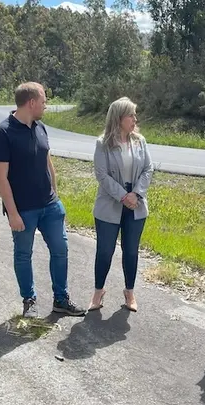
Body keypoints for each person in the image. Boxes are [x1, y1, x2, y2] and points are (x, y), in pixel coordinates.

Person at [0, 82, 86, 318]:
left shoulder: (41, 127)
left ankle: (61, 299)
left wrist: (56, 194)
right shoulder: (3, 132)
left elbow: (47, 161)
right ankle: (29, 300)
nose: (46, 105)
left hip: (50, 205)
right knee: (24, 255)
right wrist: (12, 213)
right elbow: (1, 177)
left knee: (60, 250)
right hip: (23, 209)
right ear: (31, 103)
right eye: (44, 101)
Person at [88, 97, 154, 312]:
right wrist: (123, 196)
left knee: (131, 251)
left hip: (136, 204)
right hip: (111, 203)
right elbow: (102, 175)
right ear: (118, 118)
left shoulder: (140, 141)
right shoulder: (103, 143)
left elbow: (148, 169)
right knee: (105, 251)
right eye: (131, 115)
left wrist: (135, 194)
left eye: (135, 115)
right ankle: (98, 292)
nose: (135, 119)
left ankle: (129, 292)